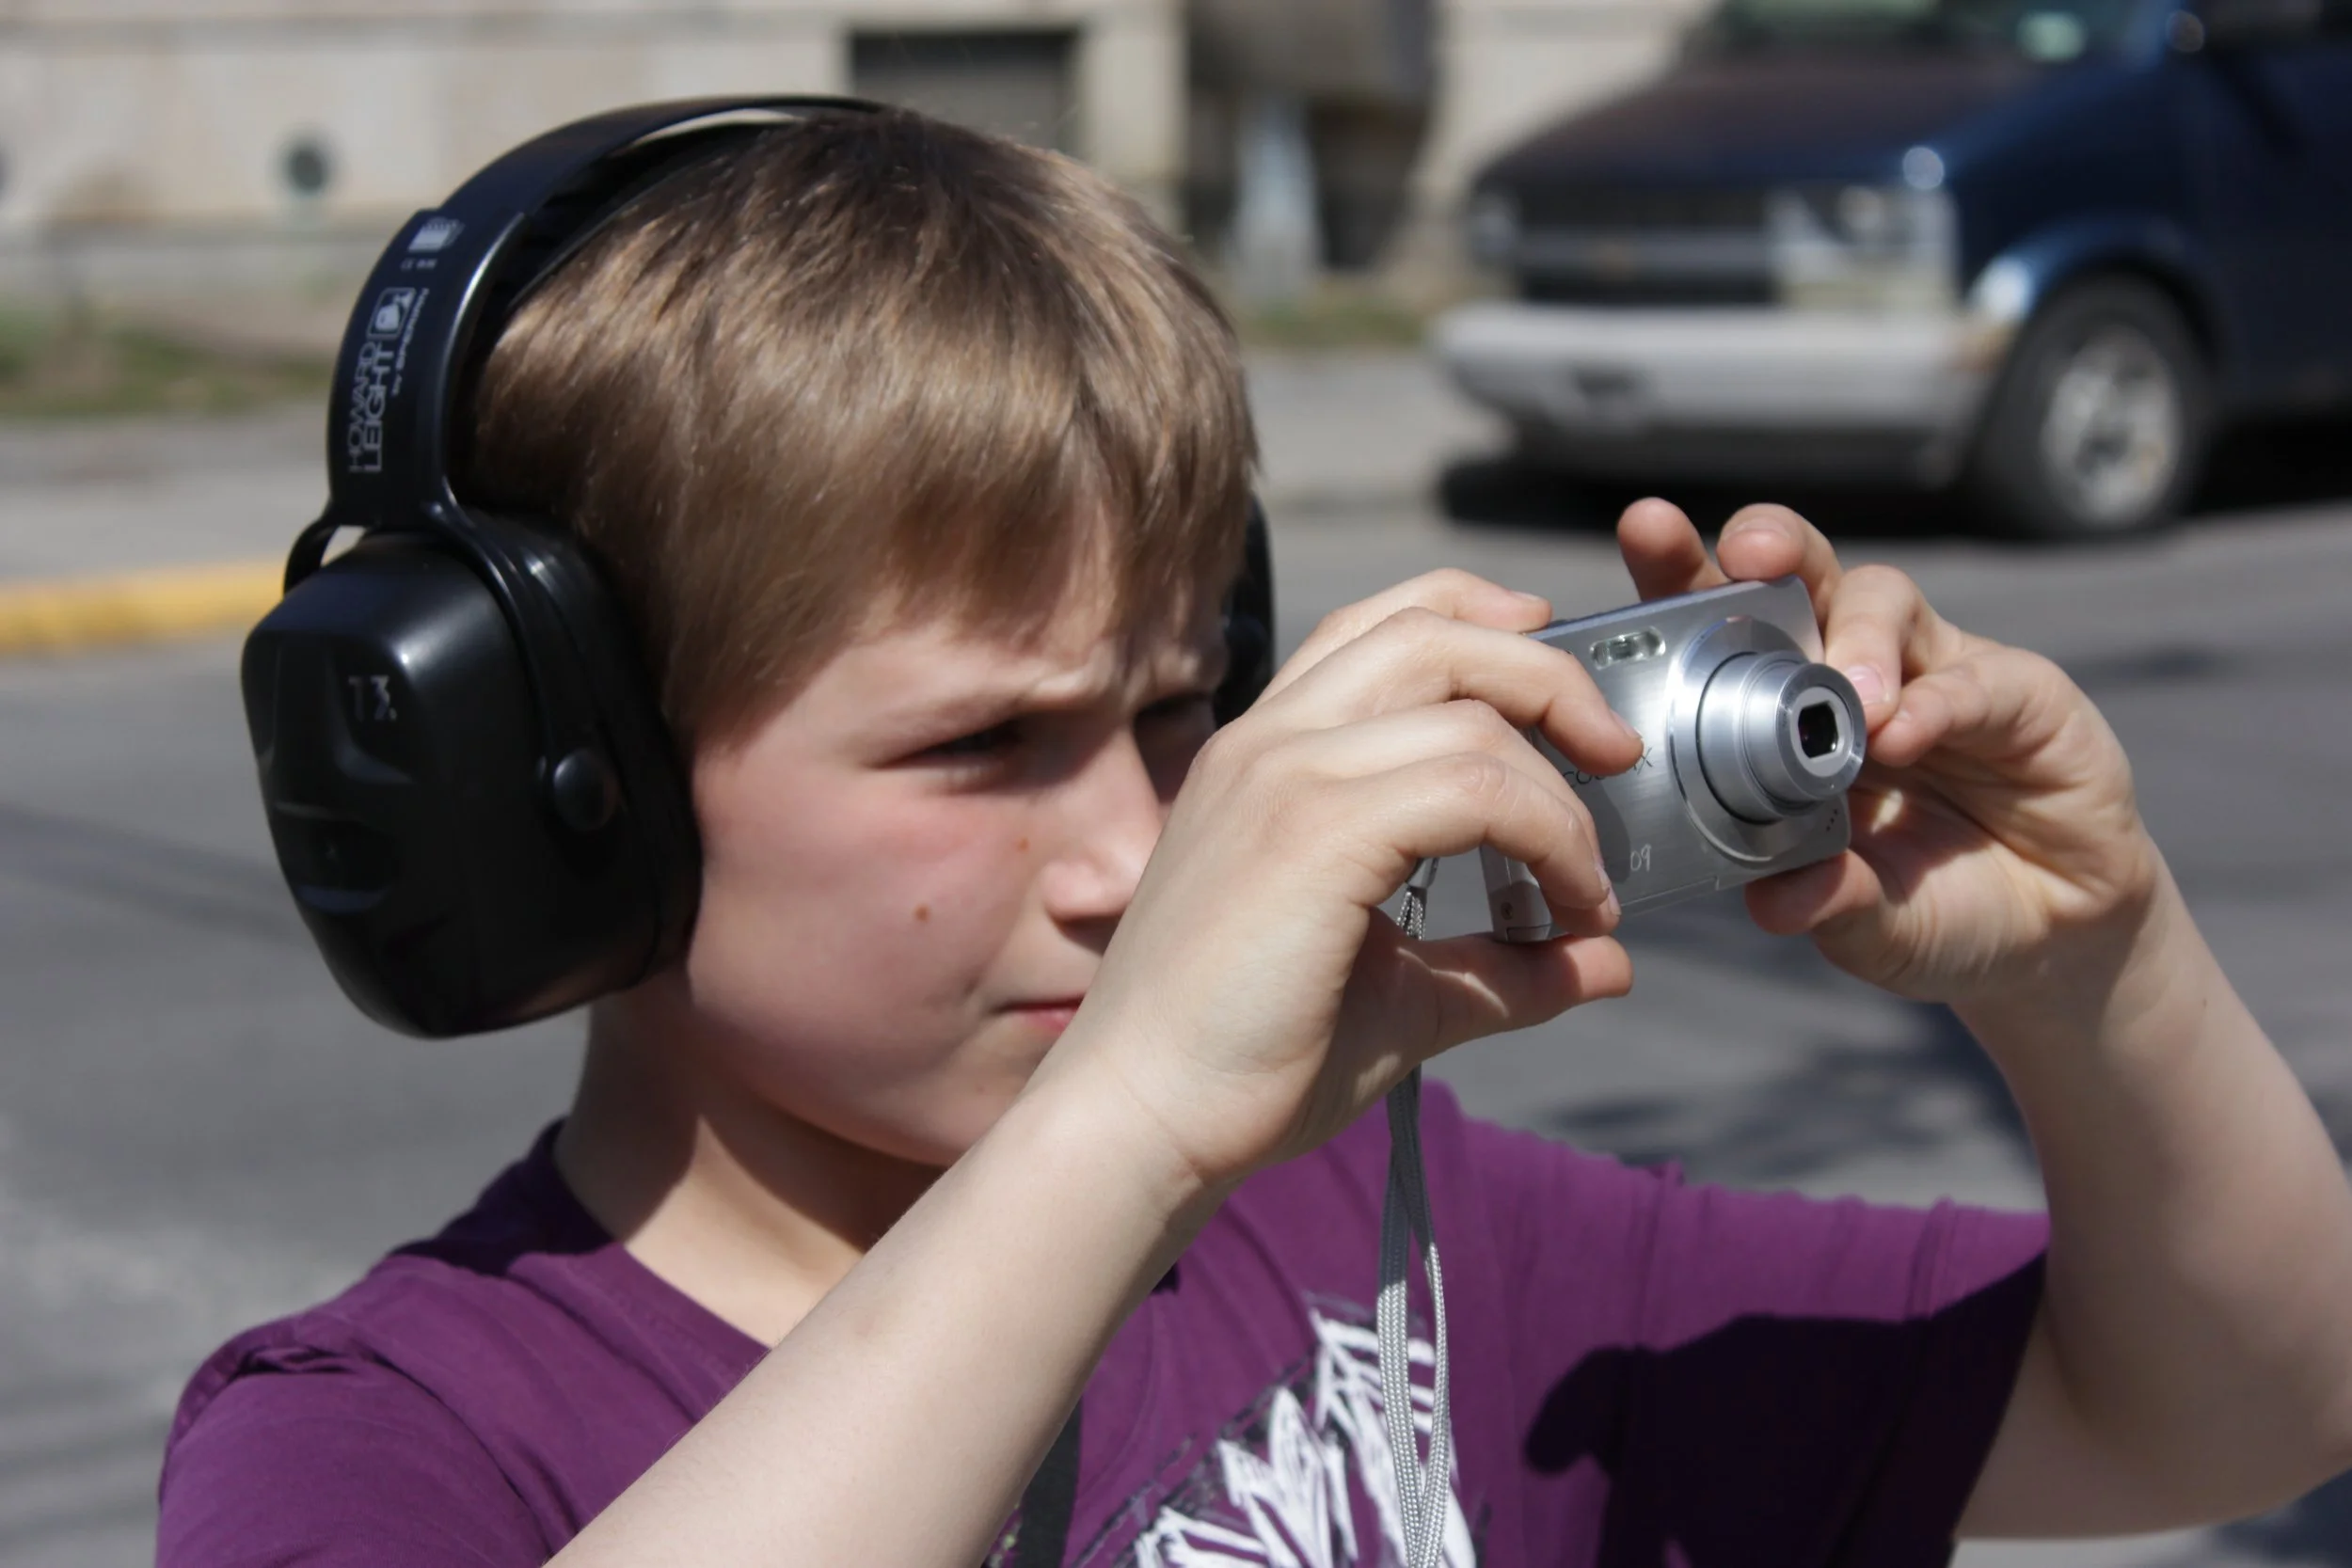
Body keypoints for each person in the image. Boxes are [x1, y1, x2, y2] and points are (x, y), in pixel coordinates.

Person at [159, 106, 2352, 1568]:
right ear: (564, 781)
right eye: (983, 744)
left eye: (1179, 704)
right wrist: (1116, 1131)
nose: (1135, 850)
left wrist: (2097, 969)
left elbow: (2244, 1403)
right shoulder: (386, 1434)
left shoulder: (1397, 1246)